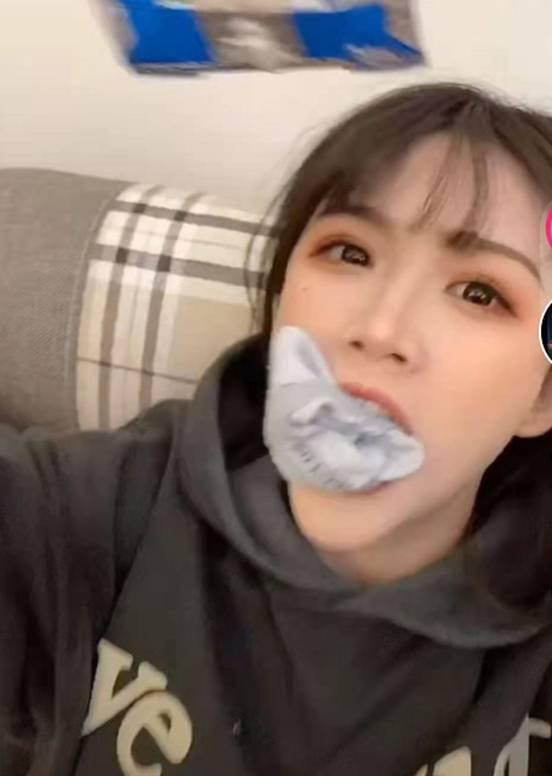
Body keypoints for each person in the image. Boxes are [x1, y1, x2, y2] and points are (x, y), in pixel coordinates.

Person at [2, 82, 552, 776]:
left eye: (480, 293)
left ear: (542, 397)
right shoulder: (104, 509)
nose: (381, 328)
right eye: (349, 252)